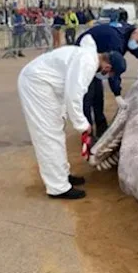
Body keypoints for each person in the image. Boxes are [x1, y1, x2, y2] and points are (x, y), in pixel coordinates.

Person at [18, 42, 127, 199]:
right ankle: (58, 187)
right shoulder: (87, 64)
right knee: (48, 136)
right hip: (37, 85)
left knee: (56, 134)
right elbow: (73, 96)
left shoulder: (89, 56)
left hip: (47, 86)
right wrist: (83, 125)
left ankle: (62, 176)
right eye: (110, 74)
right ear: (107, 67)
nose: (107, 76)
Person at [75, 23, 138, 137]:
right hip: (83, 57)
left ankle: (101, 127)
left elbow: (134, 47)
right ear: (134, 33)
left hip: (98, 56)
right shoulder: (116, 42)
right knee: (88, 96)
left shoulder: (128, 35)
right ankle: (87, 133)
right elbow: (113, 71)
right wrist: (117, 94)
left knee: (98, 95)